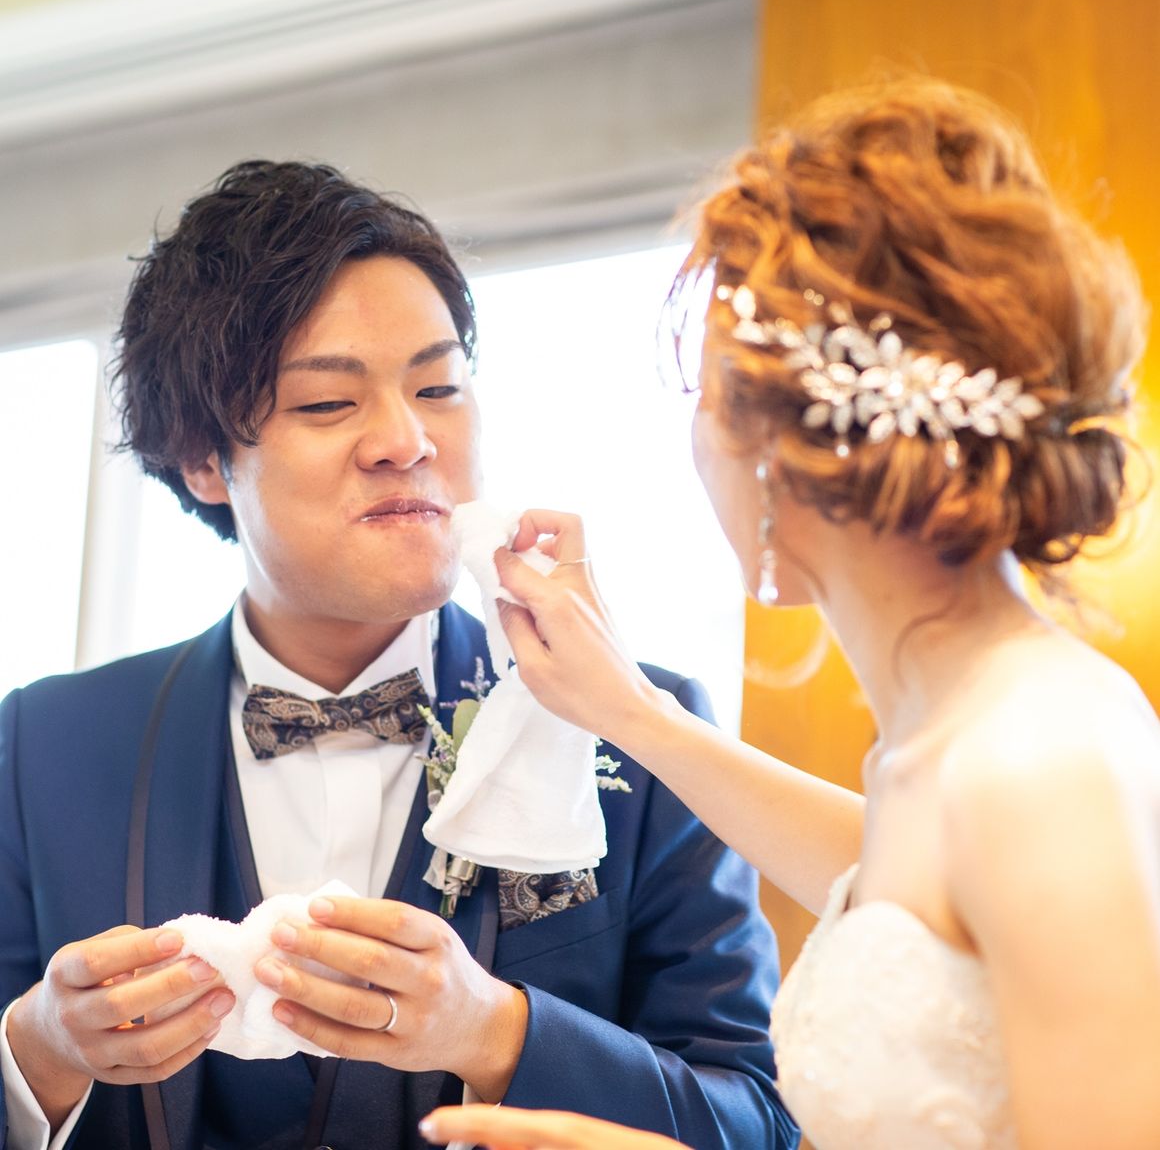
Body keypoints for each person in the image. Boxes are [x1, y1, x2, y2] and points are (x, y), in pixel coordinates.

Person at [420, 77, 1160, 1150]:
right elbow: (897, 888)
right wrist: (627, 709)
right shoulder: (948, 740)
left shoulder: (1036, 759)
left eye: (707, 396)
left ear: (781, 448)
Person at [0, 161, 799, 1149]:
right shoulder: (47, 742)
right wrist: (37, 1051)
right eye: (327, 403)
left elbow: (755, 1123)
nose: (406, 439)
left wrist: (496, 1030)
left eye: (438, 386)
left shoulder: (642, 731)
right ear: (203, 458)